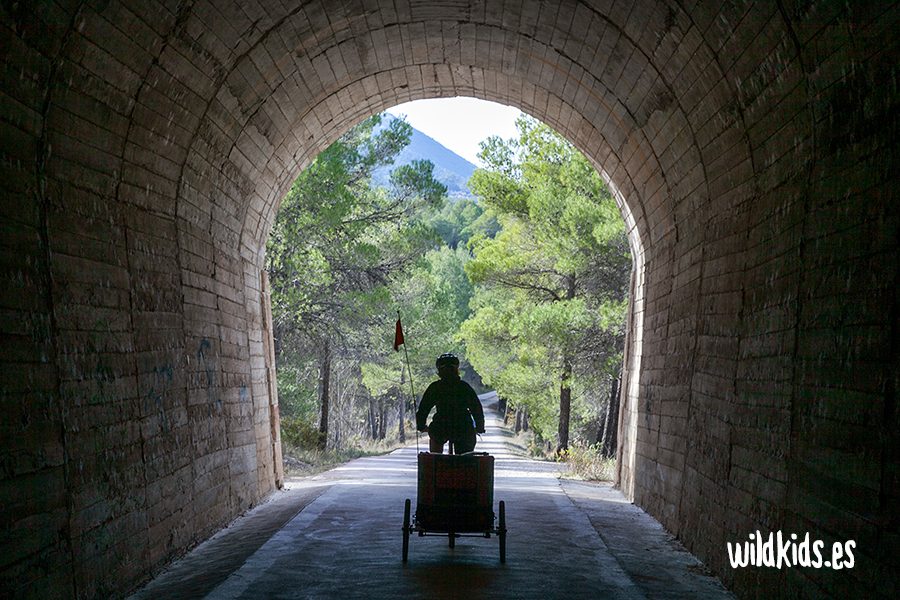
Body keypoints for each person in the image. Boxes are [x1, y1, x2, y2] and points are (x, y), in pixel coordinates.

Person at [416, 354, 485, 454]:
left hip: (441, 426)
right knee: (466, 459)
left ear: (439, 371)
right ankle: (464, 465)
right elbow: (477, 409)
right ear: (456, 370)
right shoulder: (464, 387)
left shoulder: (435, 387)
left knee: (435, 455)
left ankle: (435, 464)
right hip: (463, 427)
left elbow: (423, 409)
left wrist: (421, 426)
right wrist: (480, 427)